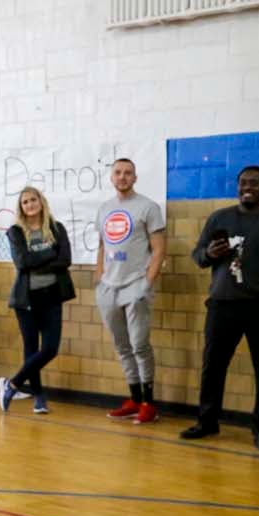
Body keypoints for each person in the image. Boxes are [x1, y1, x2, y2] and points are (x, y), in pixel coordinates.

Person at [180, 165, 259, 452]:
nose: (248, 187)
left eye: (254, 183)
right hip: (222, 305)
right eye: (243, 182)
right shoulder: (220, 217)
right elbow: (197, 255)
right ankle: (207, 421)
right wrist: (209, 253)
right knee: (213, 367)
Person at [95, 158, 167, 424]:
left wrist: (146, 283)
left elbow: (159, 249)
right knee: (122, 346)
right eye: (118, 172)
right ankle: (134, 399)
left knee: (139, 345)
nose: (122, 177)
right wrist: (99, 279)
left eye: (128, 173)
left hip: (135, 285)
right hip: (108, 288)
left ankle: (149, 403)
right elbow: (102, 247)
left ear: (135, 178)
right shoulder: (104, 209)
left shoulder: (148, 207)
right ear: (111, 177)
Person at [0, 187, 75, 415]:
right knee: (31, 349)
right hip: (26, 299)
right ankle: (39, 397)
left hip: (52, 296)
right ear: (21, 207)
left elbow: (65, 260)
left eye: (33, 200)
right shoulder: (15, 231)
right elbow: (22, 262)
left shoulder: (56, 228)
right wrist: (49, 254)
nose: (30, 204)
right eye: (25, 202)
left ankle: (11, 384)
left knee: (50, 349)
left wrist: (39, 260)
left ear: (41, 202)